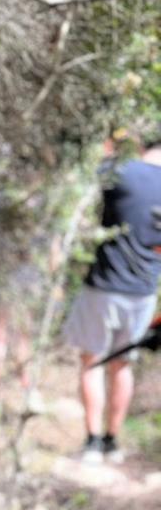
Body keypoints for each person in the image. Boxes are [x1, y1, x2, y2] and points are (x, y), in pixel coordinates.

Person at [63, 128, 161, 464]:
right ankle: (112, 441)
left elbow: (95, 169)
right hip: (144, 292)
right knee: (122, 366)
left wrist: (113, 144)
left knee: (92, 361)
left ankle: (91, 442)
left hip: (104, 284)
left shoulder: (124, 172)